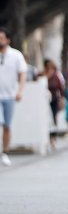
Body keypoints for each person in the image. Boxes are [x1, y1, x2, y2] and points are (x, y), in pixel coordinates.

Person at [0, 27, 27, 166]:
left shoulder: (16, 55)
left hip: (10, 95)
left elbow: (22, 73)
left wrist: (21, 90)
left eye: (2, 38)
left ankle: (5, 152)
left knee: (7, 126)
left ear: (8, 39)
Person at [42, 59, 66, 150]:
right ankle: (47, 137)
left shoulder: (56, 76)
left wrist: (62, 99)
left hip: (54, 100)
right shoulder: (42, 75)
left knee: (53, 118)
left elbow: (61, 88)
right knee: (46, 119)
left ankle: (53, 138)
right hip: (44, 101)